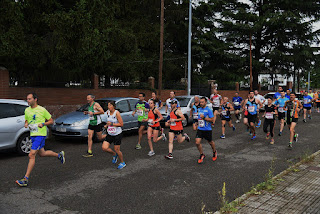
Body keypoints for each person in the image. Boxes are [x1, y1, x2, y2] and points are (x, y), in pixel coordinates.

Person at [16, 93, 65, 187]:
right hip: (33, 134)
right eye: (27, 99)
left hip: (40, 134)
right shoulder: (27, 110)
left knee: (31, 155)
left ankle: (25, 179)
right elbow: (26, 120)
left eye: (29, 99)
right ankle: (59, 155)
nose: (28, 101)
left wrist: (43, 124)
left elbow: (51, 121)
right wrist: (26, 124)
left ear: (35, 99)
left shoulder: (42, 109)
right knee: (42, 153)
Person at [102, 101, 126, 169]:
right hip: (110, 134)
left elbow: (121, 124)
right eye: (108, 105)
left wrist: (112, 124)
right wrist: (106, 125)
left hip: (117, 134)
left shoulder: (117, 113)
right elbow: (109, 122)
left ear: (113, 106)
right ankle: (114, 154)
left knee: (117, 149)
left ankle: (122, 162)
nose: (108, 106)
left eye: (110, 105)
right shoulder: (107, 112)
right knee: (104, 148)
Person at [195, 97, 217, 164]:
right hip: (200, 129)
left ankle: (214, 151)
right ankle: (202, 154)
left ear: (205, 102)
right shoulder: (199, 109)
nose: (201, 103)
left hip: (207, 129)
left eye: (202, 102)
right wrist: (197, 123)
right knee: (197, 142)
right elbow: (199, 118)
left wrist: (204, 118)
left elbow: (212, 120)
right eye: (200, 102)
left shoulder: (209, 110)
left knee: (210, 142)